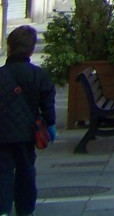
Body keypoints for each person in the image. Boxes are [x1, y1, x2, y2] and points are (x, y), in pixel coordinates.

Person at [0, 25, 56, 216]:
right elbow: (47, 101)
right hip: (27, 131)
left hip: (2, 133)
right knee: (26, 171)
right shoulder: (37, 74)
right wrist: (50, 123)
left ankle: (3, 209)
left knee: (3, 172)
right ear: (31, 50)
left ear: (9, 47)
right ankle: (25, 209)